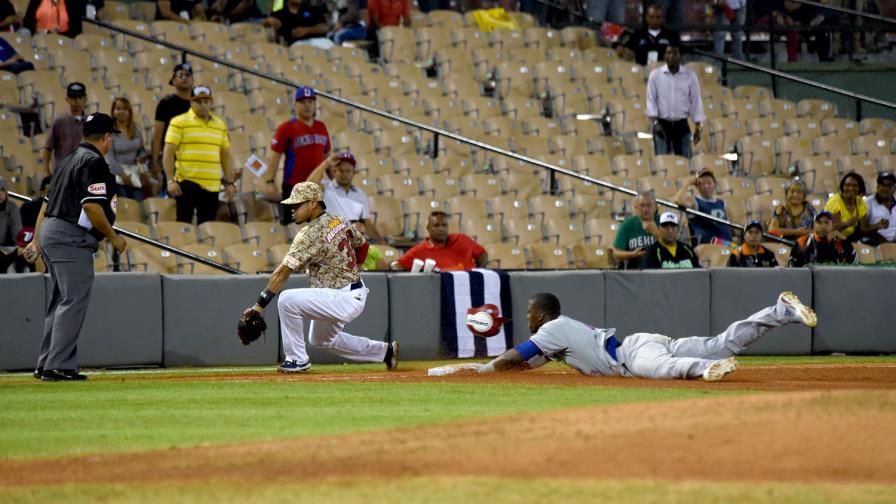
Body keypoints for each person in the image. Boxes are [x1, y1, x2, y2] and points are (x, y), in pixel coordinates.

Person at [474, 291, 816, 381]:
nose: (527, 316)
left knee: (661, 369)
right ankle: (779, 312)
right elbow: (526, 364)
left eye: (529, 311)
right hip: (640, 343)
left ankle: (703, 369)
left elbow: (512, 358)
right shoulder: (556, 332)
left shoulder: (552, 328)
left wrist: (481, 373)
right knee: (719, 343)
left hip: (631, 356)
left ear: (542, 313)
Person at [240, 182, 399, 373]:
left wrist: (259, 306)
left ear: (313, 203)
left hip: (343, 296)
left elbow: (282, 273)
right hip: (350, 291)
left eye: (297, 205)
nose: (292, 210)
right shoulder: (338, 219)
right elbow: (363, 246)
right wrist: (354, 271)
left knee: (286, 300)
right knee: (321, 340)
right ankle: (385, 352)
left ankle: (297, 359)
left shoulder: (310, 234)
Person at [25, 113, 127, 381]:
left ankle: (46, 362)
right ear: (106, 137)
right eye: (111, 136)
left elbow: (45, 207)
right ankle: (58, 365)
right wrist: (114, 237)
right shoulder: (94, 161)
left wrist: (37, 239)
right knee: (72, 301)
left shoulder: (67, 159)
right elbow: (92, 206)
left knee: (60, 300)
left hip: (51, 231)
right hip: (69, 236)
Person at [163, 85, 235, 224]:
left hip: (212, 185)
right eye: (198, 101)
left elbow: (226, 156)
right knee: (184, 224)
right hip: (187, 182)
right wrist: (170, 180)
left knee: (208, 226)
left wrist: (230, 183)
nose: (203, 105)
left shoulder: (220, 125)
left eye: (206, 101)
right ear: (191, 102)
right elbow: (168, 152)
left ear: (211, 102)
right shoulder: (179, 122)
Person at [267, 86, 331, 225]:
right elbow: (275, 156)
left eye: (310, 102)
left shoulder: (321, 127)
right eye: (303, 102)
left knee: (317, 226)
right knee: (293, 225)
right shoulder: (286, 128)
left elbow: (327, 155)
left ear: (315, 104)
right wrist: (270, 181)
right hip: (294, 187)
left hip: (317, 187)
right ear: (295, 105)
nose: (307, 105)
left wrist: (333, 181)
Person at [305, 150, 384, 244]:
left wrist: (381, 241)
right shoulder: (326, 188)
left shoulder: (361, 195)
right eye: (341, 171)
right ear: (334, 171)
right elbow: (308, 186)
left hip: (351, 242)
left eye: (348, 171)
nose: (345, 174)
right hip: (327, 240)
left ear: (354, 172)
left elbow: (367, 223)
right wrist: (326, 163)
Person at [646, 44, 705, 158]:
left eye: (675, 53)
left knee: (685, 160)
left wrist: (698, 127)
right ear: (664, 56)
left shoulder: (690, 76)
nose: (671, 56)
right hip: (662, 124)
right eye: (669, 53)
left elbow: (696, 101)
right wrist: (655, 123)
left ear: (680, 56)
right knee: (662, 160)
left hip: (681, 124)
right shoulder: (655, 75)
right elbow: (651, 99)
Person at [394, 211, 488, 271]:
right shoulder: (419, 250)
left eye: (444, 225)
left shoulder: (462, 239)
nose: (441, 229)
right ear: (428, 228)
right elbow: (397, 264)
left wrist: (479, 272)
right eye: (436, 225)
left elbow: (482, 254)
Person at [152, 63, 194, 194]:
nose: (184, 78)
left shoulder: (198, 104)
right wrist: (154, 161)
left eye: (187, 75)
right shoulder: (166, 103)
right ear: (174, 81)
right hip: (172, 158)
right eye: (180, 75)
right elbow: (157, 134)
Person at [107, 96, 152, 201]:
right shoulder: (108, 131)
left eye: (125, 109)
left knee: (139, 201)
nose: (121, 112)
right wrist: (123, 176)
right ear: (113, 112)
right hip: (116, 174)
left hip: (134, 172)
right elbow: (110, 158)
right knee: (124, 201)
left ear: (129, 112)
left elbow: (141, 151)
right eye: (118, 109)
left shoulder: (136, 127)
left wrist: (142, 157)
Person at [41, 82, 87, 179]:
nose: (77, 101)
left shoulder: (91, 122)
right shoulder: (59, 121)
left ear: (85, 99)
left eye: (80, 98)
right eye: (73, 98)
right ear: (67, 99)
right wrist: (46, 171)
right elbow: (48, 148)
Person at [675, 169, 732, 245]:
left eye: (709, 183)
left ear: (714, 184)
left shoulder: (722, 203)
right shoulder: (695, 202)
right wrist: (688, 183)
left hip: (726, 244)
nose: (706, 186)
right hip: (708, 244)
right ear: (697, 186)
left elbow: (729, 226)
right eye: (702, 183)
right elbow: (679, 200)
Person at [610, 190, 661, 269]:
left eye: (649, 205)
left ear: (655, 207)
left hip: (661, 268)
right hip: (636, 270)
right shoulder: (627, 225)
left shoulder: (664, 222)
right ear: (636, 208)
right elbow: (616, 253)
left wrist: (655, 232)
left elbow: (675, 246)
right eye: (642, 205)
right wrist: (633, 254)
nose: (645, 209)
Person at [789, 210, 856, 266]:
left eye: (826, 222)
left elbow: (853, 262)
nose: (823, 226)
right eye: (819, 222)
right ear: (813, 225)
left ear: (832, 225)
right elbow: (793, 268)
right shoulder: (803, 242)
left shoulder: (839, 241)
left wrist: (844, 239)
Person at [263, 0, 332, 48]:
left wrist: (306, 30)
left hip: (321, 42)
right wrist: (267, 23)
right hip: (297, 46)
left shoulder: (313, 10)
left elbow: (325, 28)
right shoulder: (279, 15)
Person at [824, 172, 870, 243]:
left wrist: (878, 225)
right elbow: (832, 230)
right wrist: (847, 223)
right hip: (833, 240)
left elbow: (863, 228)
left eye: (855, 185)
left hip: (851, 238)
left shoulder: (859, 201)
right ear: (842, 187)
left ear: (860, 188)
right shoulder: (835, 201)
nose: (851, 188)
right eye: (847, 185)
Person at [22, 0, 103, 38]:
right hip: (38, 37)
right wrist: (36, 31)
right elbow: (27, 21)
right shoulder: (36, 1)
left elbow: (76, 29)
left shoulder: (72, 2)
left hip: (63, 39)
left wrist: (58, 35)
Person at [863, 172, 895, 245]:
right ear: (877, 187)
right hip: (877, 242)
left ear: (894, 188)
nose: (886, 188)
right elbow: (862, 229)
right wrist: (877, 225)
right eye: (882, 185)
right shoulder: (867, 202)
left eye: (889, 185)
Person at [0, 176, 23, 272]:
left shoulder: (12, 208)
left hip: (9, 249)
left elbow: (18, 235)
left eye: (2, 190)